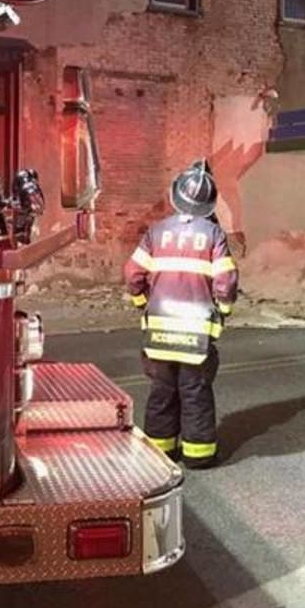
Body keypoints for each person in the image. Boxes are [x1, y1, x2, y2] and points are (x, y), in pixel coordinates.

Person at [123, 159, 238, 469]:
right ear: (208, 202)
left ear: (176, 196)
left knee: (161, 392)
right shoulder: (214, 235)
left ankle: (161, 452)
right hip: (196, 336)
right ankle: (198, 456)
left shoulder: (157, 232)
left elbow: (133, 273)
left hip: (158, 333)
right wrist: (223, 311)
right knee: (195, 392)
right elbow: (226, 283)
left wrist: (141, 303)